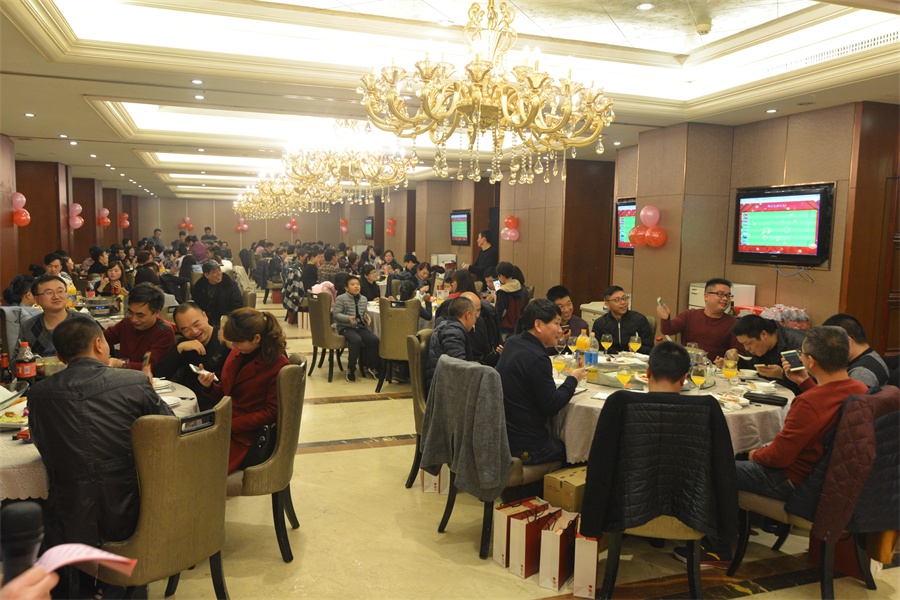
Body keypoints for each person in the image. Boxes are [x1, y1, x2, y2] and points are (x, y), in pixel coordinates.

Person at [679, 327, 870, 568]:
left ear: (810, 361)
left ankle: (717, 548)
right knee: (731, 460)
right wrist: (804, 382)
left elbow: (778, 458)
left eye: (802, 354)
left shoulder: (808, 403)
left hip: (795, 480)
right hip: (831, 478)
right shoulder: (860, 390)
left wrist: (752, 453)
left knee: (711, 467)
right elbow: (829, 405)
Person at [28, 314, 173, 548]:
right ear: (98, 344)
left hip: (67, 511)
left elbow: (41, 443)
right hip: (131, 502)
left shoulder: (38, 394)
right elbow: (169, 429)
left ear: (60, 357)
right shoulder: (134, 381)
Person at [198, 308, 289, 472]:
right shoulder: (238, 353)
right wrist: (210, 387)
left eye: (238, 342)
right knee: (187, 453)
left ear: (256, 338)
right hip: (226, 425)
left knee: (202, 469)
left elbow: (272, 413)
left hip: (248, 437)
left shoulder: (277, 364)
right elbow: (228, 393)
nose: (233, 346)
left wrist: (230, 425)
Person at [496, 299, 585, 465]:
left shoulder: (513, 342)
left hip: (504, 435)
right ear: (538, 325)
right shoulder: (538, 357)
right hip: (527, 445)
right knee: (578, 450)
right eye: (556, 323)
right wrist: (573, 379)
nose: (560, 330)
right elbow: (552, 405)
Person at [155, 301, 229, 410]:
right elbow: (159, 375)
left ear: (205, 316)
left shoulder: (224, 341)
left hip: (216, 406)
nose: (194, 331)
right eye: (185, 329)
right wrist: (179, 349)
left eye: (196, 324)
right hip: (187, 403)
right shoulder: (185, 345)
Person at [657, 277, 738, 361]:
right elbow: (668, 330)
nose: (725, 299)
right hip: (689, 364)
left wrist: (728, 359)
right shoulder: (689, 315)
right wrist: (665, 318)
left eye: (728, 296)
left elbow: (739, 353)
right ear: (706, 296)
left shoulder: (733, 323)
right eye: (720, 294)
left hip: (716, 367)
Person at [103, 282, 175, 370]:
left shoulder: (164, 332)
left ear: (156, 313)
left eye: (140, 315)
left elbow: (149, 366)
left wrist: (120, 363)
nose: (134, 319)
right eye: (130, 312)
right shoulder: (127, 322)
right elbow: (103, 338)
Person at [727, 314, 805, 391]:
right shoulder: (757, 347)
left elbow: (809, 383)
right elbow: (750, 368)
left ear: (763, 334)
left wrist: (782, 374)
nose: (746, 348)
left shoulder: (800, 344)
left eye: (748, 343)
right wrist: (735, 361)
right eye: (743, 344)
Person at [821, 313, 890, 390]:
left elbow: (848, 398)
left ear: (847, 342)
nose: (827, 351)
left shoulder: (861, 373)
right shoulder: (870, 357)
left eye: (829, 345)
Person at [424, 296, 477, 395]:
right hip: (444, 391)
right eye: (475, 316)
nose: (475, 321)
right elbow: (459, 367)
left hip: (442, 384)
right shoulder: (453, 332)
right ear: (468, 315)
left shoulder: (447, 326)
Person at [332, 275, 380, 382]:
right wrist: (348, 318)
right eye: (352, 284)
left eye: (358, 284)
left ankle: (372, 366)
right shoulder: (341, 298)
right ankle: (351, 368)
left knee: (374, 339)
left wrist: (366, 317)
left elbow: (364, 313)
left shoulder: (363, 299)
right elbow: (336, 314)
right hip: (345, 327)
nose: (356, 286)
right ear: (346, 288)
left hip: (359, 326)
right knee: (356, 340)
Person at [19, 275, 75, 358]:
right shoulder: (28, 327)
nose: (56, 296)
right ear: (36, 299)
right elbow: (15, 360)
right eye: (49, 293)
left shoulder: (83, 322)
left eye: (60, 291)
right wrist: (25, 358)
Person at [590, 286, 654, 354]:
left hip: (634, 358)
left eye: (625, 298)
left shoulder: (639, 320)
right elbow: (595, 349)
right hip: (609, 359)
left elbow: (650, 349)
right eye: (617, 300)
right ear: (607, 304)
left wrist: (637, 349)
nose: (623, 302)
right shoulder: (600, 323)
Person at [192, 260, 242, 328]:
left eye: (219, 270)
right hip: (205, 321)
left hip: (225, 321)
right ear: (206, 275)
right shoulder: (199, 286)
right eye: (214, 272)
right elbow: (196, 305)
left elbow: (237, 306)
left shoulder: (230, 285)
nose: (219, 273)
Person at [489, 262, 527, 334]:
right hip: (517, 322)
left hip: (505, 325)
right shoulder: (518, 285)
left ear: (501, 276)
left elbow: (500, 310)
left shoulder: (502, 291)